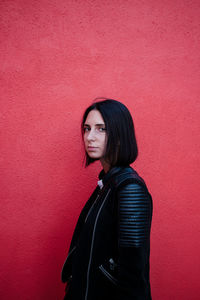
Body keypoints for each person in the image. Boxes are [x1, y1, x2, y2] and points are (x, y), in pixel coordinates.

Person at [61, 98, 153, 300]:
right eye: (87, 128)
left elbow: (133, 269)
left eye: (101, 129)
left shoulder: (129, 188)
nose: (89, 137)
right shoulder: (107, 183)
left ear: (120, 135)